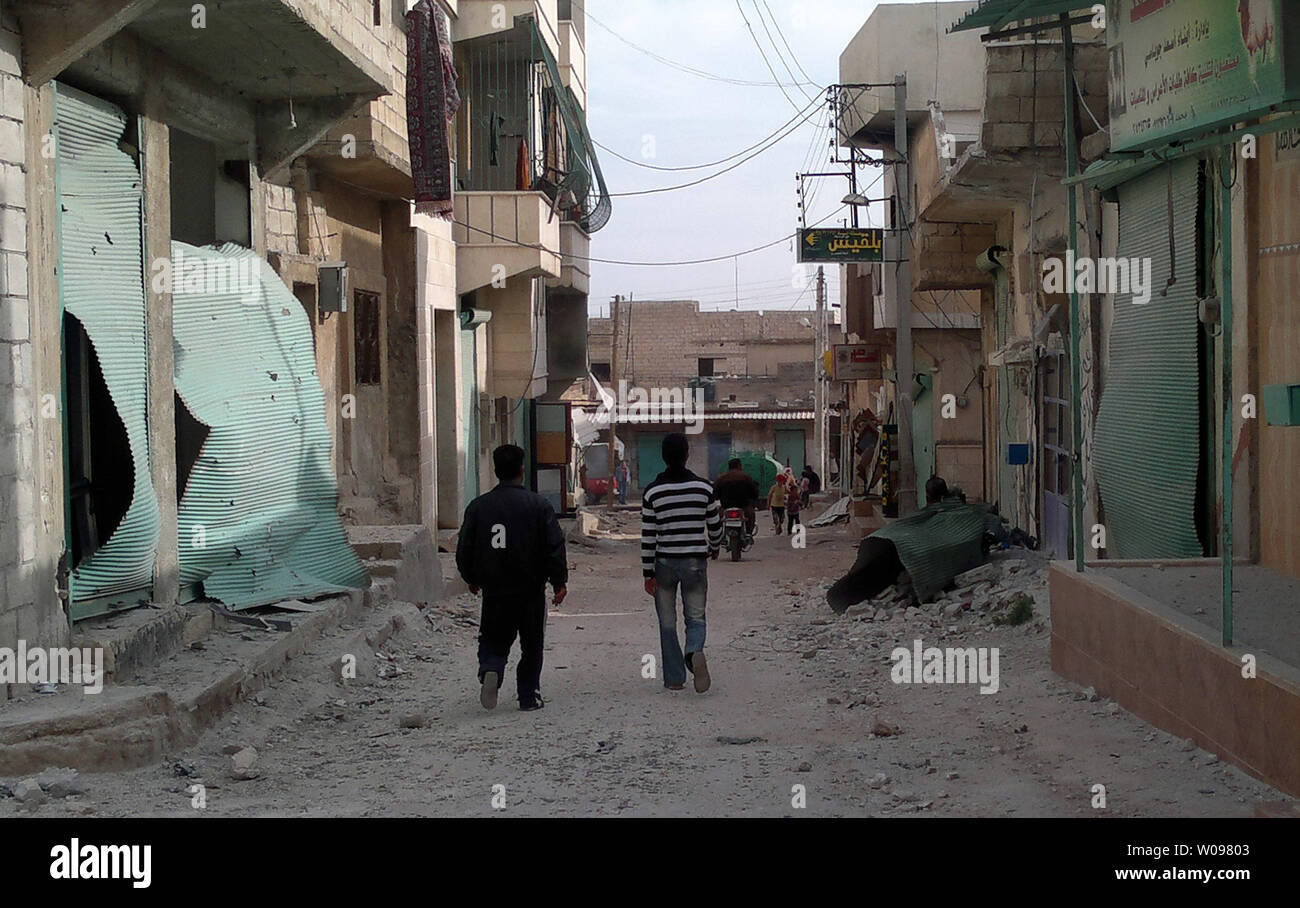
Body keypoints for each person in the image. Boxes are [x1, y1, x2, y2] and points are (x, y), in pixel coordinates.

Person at [455, 444, 568, 711]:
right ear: (521, 470)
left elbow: (465, 548)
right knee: (531, 643)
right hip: (530, 589)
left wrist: (470, 576)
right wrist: (559, 581)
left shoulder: (478, 507)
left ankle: (491, 668)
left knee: (493, 637)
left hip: (494, 589)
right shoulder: (539, 506)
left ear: (495, 471)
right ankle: (529, 696)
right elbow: (554, 546)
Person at [641, 433, 723, 693]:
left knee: (667, 621)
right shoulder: (704, 488)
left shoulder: (653, 492)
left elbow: (648, 535)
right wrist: (715, 545)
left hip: (663, 563)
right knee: (695, 617)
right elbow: (715, 526)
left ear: (663, 457)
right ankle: (693, 651)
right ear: (688, 455)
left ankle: (675, 678)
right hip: (695, 561)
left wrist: (647, 573)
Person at [713, 457, 759, 535]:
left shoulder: (721, 478)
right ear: (739, 466)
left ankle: (719, 536)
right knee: (751, 517)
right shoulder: (746, 477)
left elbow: (715, 494)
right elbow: (754, 493)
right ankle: (748, 535)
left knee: (717, 520)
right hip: (743, 506)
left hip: (725, 506)